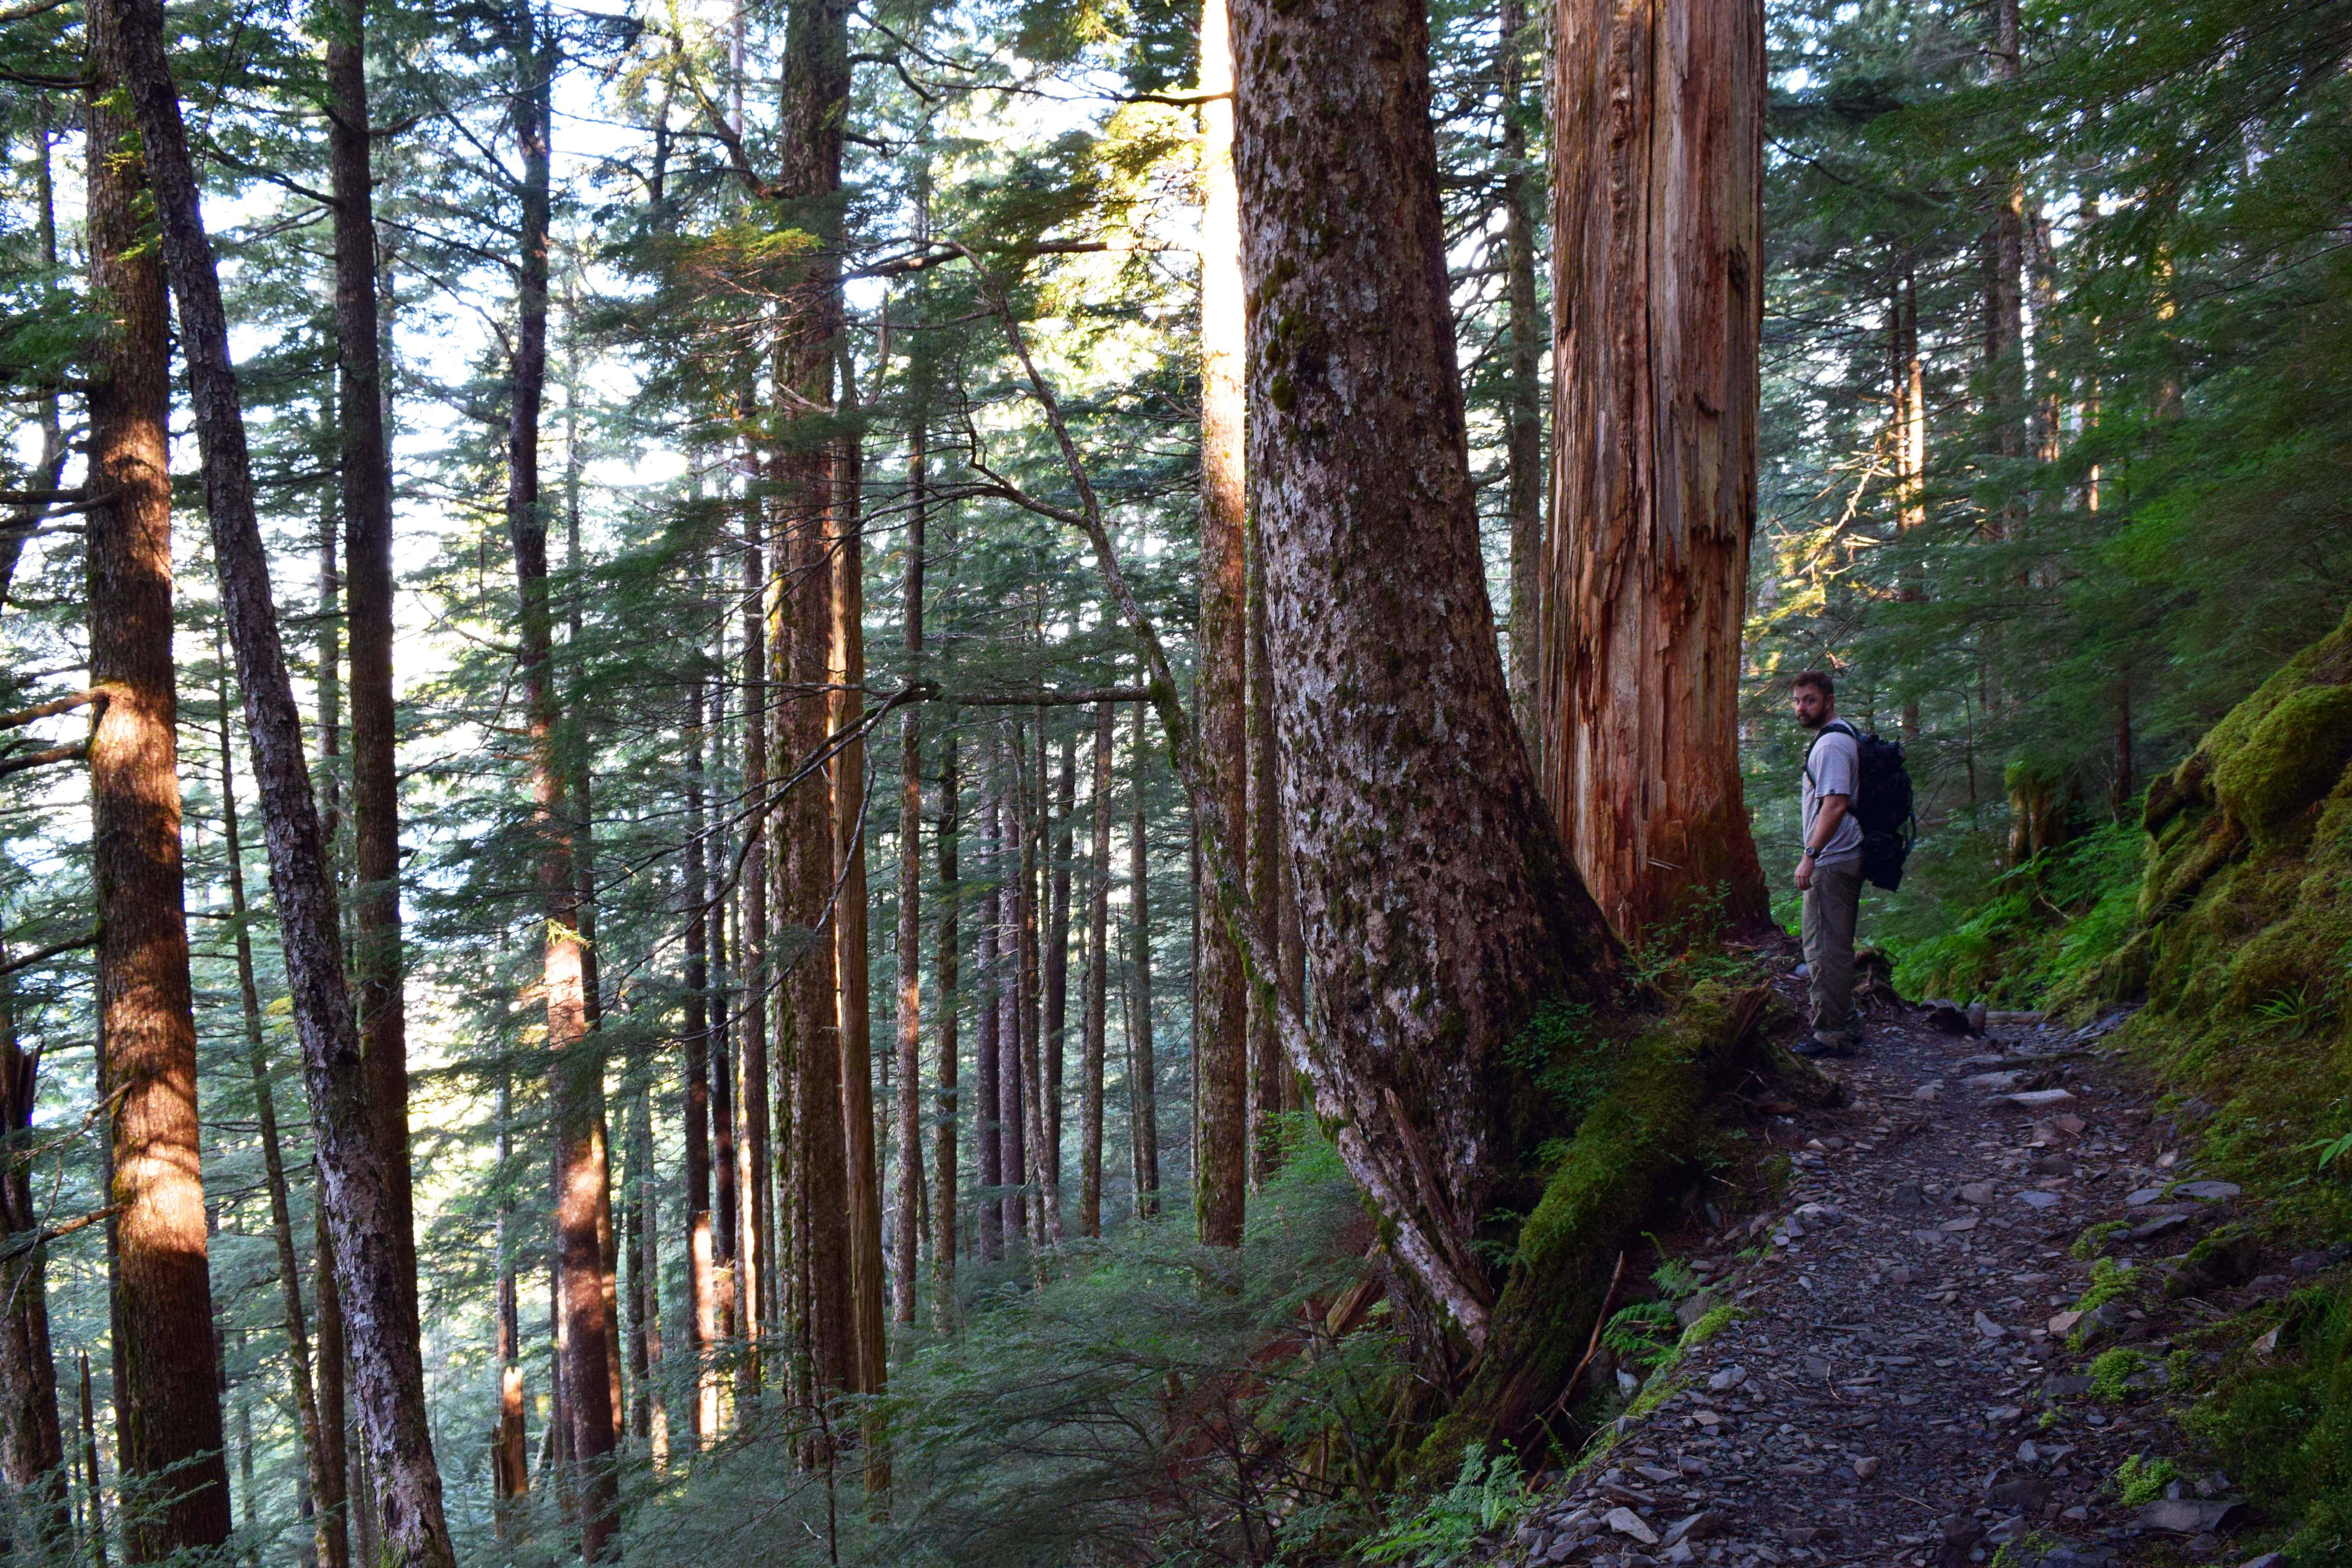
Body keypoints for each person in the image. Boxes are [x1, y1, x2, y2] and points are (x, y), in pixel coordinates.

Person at [1790, 670, 1864, 1057]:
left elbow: (1834, 804)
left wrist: (1810, 857)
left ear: (1829, 700)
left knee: (1823, 949)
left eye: (1810, 700)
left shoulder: (1832, 745)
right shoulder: (1835, 737)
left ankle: (1831, 1034)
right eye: (1798, 701)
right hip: (1837, 858)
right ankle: (1846, 1023)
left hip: (1832, 861)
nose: (1802, 708)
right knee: (1831, 944)